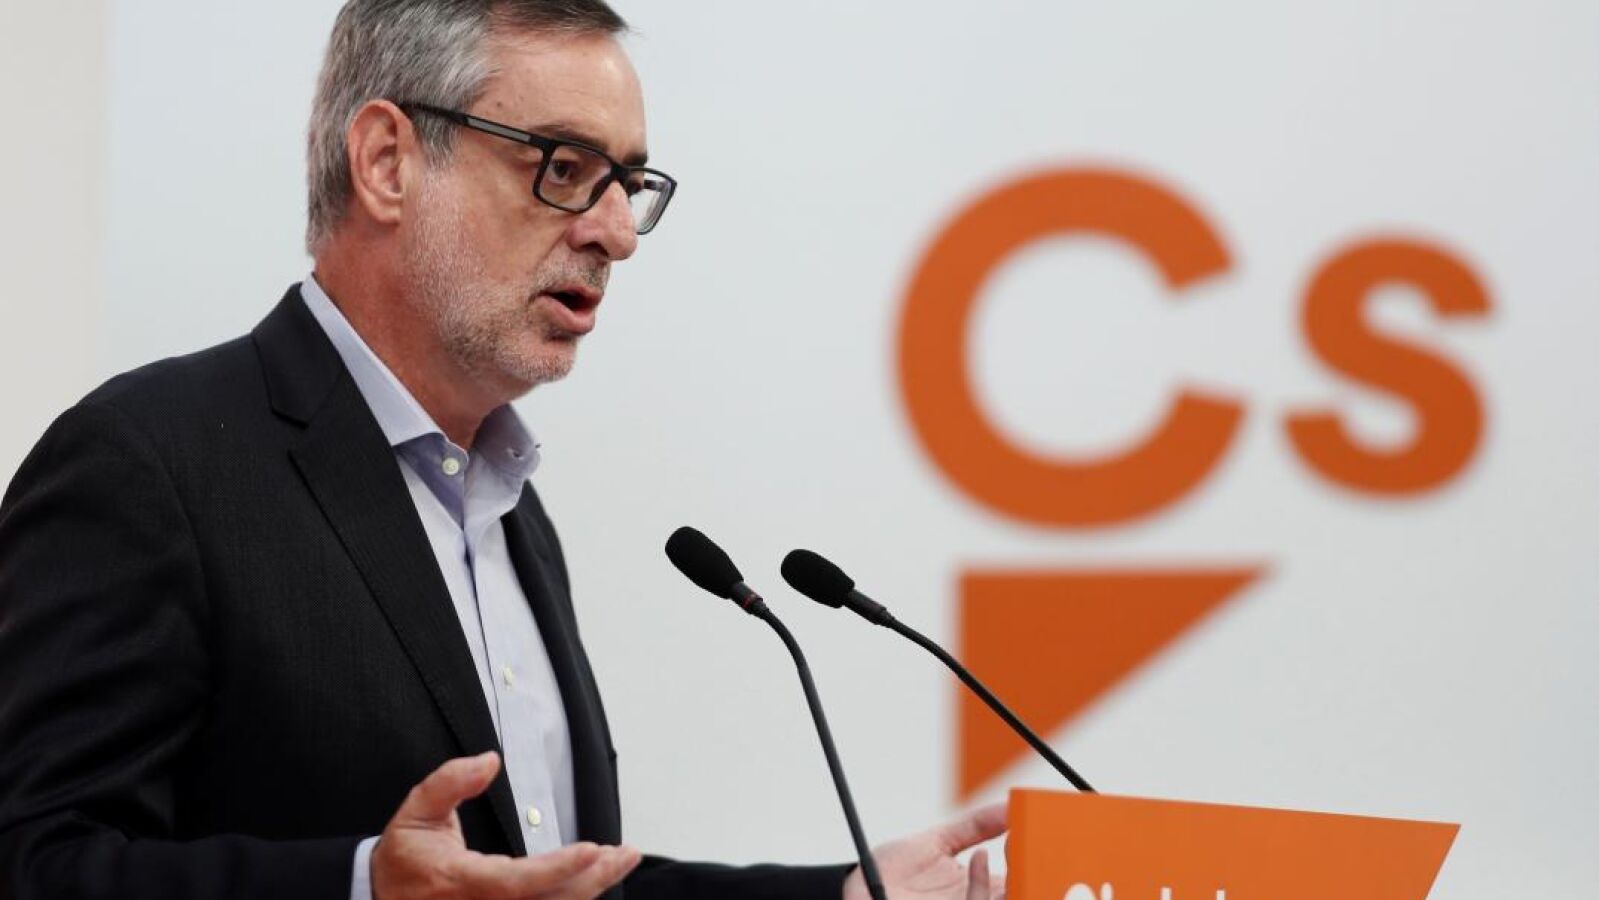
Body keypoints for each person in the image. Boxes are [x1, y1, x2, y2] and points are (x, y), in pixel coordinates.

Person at [0, 2, 1007, 898]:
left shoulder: (508, 506)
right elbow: (33, 861)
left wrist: (844, 895)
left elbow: (555, 884)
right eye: (563, 169)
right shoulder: (151, 466)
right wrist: (361, 888)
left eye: (629, 183)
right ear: (386, 163)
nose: (616, 234)